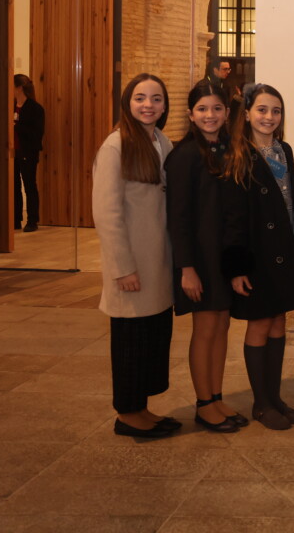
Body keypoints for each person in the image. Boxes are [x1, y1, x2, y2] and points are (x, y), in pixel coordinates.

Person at [91, 73, 178, 438]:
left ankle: (141, 407)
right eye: (140, 98)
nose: (148, 105)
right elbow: (106, 214)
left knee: (151, 339)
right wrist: (122, 267)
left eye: (156, 99)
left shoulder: (163, 141)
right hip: (132, 267)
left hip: (157, 262)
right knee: (130, 341)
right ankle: (127, 414)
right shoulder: (116, 145)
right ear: (127, 102)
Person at [222, 83, 294, 430]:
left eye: (276, 111)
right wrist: (238, 266)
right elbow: (234, 214)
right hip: (257, 254)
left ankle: (275, 397)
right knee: (260, 322)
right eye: (262, 110)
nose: (269, 117)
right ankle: (261, 403)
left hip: (284, 251)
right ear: (246, 114)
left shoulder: (284, 150)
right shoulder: (239, 153)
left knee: (279, 322)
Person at [165, 80, 245, 433]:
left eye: (216, 108)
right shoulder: (183, 156)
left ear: (227, 113)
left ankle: (216, 395)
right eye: (202, 109)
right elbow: (177, 218)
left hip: (224, 256)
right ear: (190, 114)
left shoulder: (230, 150)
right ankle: (203, 404)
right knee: (206, 328)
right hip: (199, 259)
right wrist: (187, 269)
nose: (209, 115)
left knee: (223, 325)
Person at [13, 73, 45, 232]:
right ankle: (15, 219)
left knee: (29, 185)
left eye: (12, 87)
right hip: (12, 152)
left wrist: (16, 126)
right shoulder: (11, 106)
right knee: (13, 186)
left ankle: (32, 220)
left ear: (19, 88)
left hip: (28, 152)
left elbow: (37, 133)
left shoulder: (35, 108)